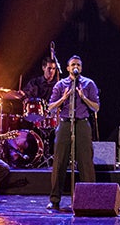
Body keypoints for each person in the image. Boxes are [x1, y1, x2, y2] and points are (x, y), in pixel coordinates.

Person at [46, 55, 99, 211]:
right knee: (59, 161)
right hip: (64, 124)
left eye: (78, 65)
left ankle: (90, 199)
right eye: (73, 64)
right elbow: (51, 107)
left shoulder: (89, 84)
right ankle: (55, 200)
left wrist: (83, 97)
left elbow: (96, 107)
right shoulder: (60, 85)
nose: (75, 67)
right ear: (68, 68)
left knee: (86, 162)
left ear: (80, 68)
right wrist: (64, 98)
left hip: (82, 123)